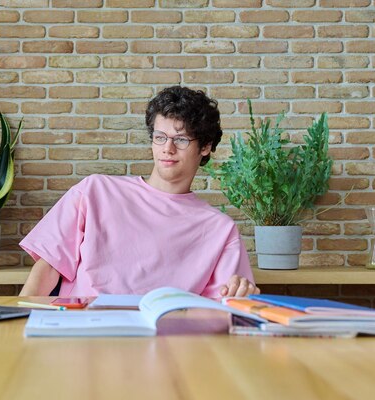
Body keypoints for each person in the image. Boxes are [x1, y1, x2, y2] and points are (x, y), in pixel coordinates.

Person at [19, 86, 259, 299]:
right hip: (84, 334)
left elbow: (225, 304)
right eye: (160, 137)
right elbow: (49, 267)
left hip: (165, 342)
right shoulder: (95, 191)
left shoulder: (220, 230)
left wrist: (240, 292)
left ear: (205, 147)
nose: (168, 148)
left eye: (181, 139)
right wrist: (20, 321)